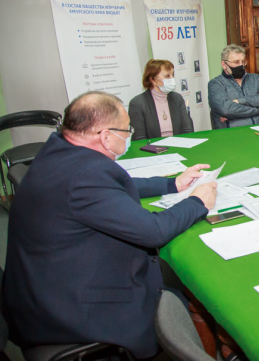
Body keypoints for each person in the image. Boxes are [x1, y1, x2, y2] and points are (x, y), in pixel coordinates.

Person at [2, 91, 217, 358]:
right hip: (69, 310)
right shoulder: (85, 175)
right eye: (127, 131)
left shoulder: (61, 150)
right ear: (105, 136)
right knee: (186, 302)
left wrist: (171, 184)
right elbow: (153, 231)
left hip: (44, 286)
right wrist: (197, 202)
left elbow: (112, 185)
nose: (129, 136)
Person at [208, 44, 259, 128]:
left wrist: (239, 101)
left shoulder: (255, 78)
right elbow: (227, 110)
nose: (241, 65)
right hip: (236, 131)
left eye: (243, 62)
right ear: (224, 65)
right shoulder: (216, 84)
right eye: (236, 62)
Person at [128, 59, 194, 141]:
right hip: (153, 148)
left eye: (172, 75)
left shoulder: (177, 98)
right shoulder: (137, 103)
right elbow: (139, 139)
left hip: (179, 145)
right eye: (167, 76)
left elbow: (187, 130)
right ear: (153, 80)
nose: (172, 78)